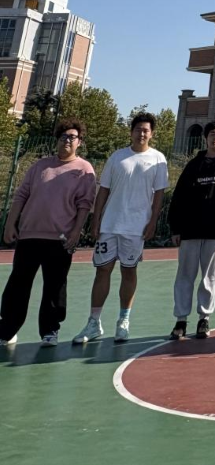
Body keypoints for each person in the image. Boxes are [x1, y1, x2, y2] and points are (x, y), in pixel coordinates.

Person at [73, 112, 169, 344]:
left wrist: (152, 222)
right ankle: (94, 323)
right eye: (138, 129)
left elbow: (159, 195)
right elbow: (104, 190)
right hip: (110, 225)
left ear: (151, 134)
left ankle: (123, 321)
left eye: (146, 130)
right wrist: (96, 220)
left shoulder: (158, 159)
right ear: (131, 132)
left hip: (136, 228)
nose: (141, 133)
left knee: (129, 271)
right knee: (102, 271)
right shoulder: (117, 157)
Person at [0, 120, 96, 347]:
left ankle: (50, 331)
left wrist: (76, 232)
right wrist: (10, 224)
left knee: (55, 286)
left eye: (72, 137)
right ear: (57, 140)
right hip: (29, 236)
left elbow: (84, 205)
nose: (67, 140)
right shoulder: (40, 166)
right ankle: (7, 330)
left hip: (60, 239)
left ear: (80, 142)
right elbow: (21, 195)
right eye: (63, 136)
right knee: (18, 284)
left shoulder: (84, 170)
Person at [166, 120, 215, 340]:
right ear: (205, 138)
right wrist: (176, 227)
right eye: (211, 134)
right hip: (190, 230)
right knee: (184, 276)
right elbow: (179, 196)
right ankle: (181, 320)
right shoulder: (194, 164)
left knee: (210, 276)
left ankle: (204, 318)